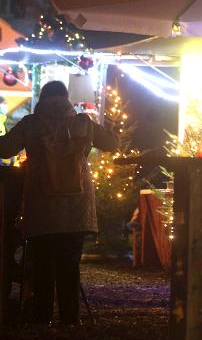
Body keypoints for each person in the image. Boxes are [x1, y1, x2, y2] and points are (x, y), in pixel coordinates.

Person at [0, 81, 119, 325]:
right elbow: (112, 144)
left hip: (41, 205)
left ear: (42, 98)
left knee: (42, 262)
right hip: (76, 206)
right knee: (70, 263)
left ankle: (42, 317)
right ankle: (70, 318)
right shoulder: (82, 123)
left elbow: (4, 149)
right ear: (66, 99)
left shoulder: (31, 124)